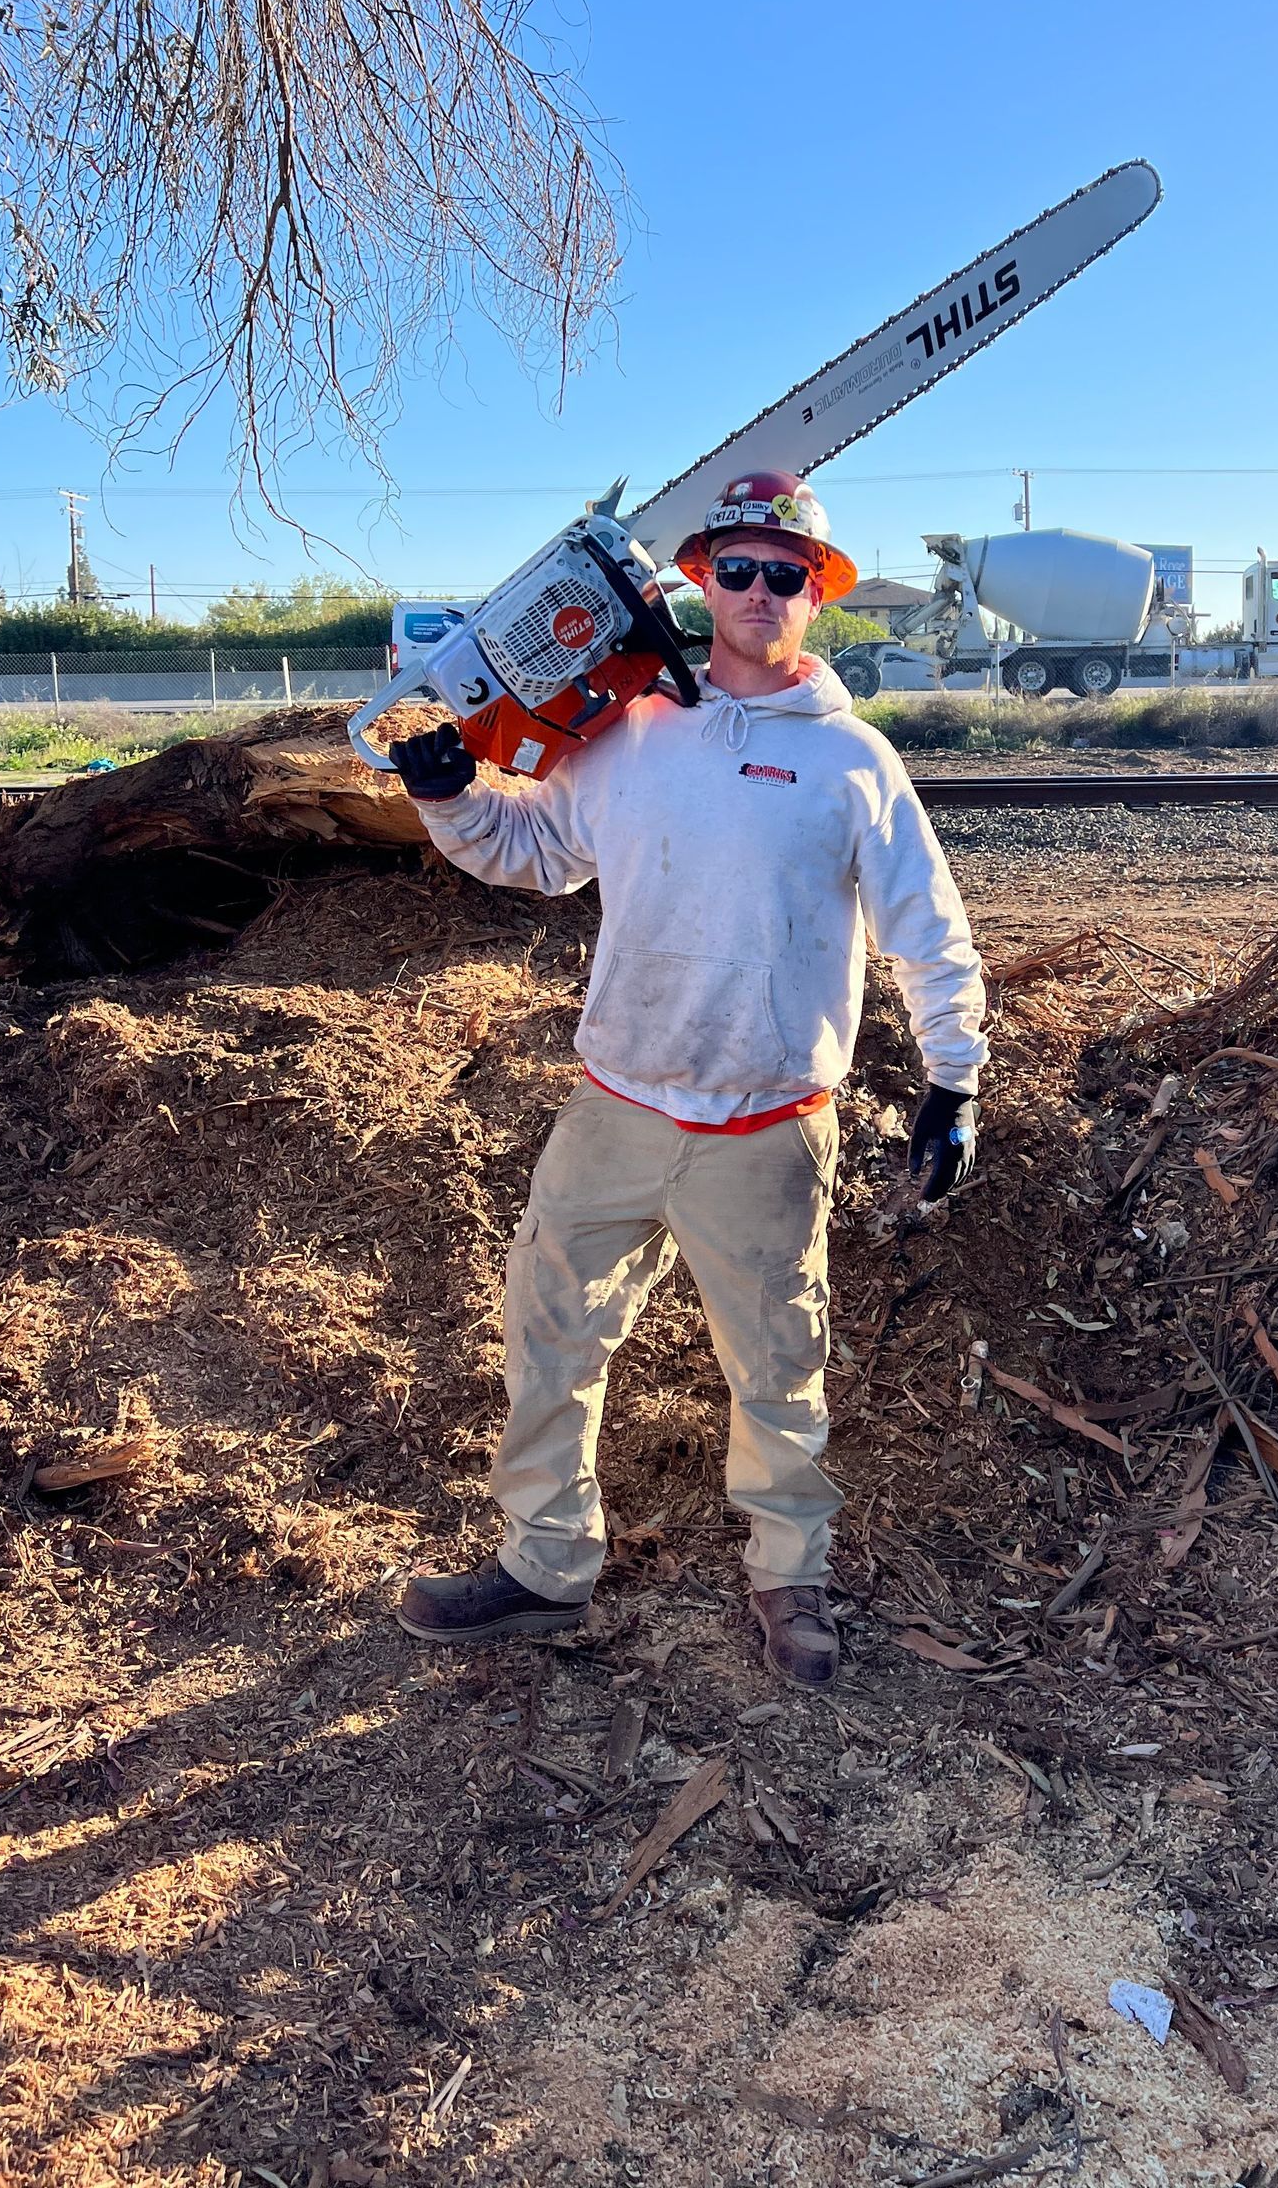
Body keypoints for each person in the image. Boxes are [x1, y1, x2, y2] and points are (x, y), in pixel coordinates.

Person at [387, 475, 987, 1687]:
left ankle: (790, 1580)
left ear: (816, 594)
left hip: (767, 1127)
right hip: (616, 1103)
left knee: (778, 1369)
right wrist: (451, 797)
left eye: (787, 575)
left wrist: (953, 1078)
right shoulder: (625, 734)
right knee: (552, 1339)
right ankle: (544, 1567)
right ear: (699, 581)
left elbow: (930, 930)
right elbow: (536, 852)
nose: (761, 592)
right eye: (740, 569)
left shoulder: (855, 762)